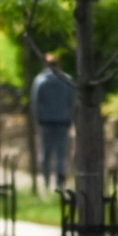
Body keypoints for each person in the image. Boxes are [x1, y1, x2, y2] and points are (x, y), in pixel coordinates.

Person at [30, 53, 76, 190]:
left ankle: (45, 180)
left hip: (45, 121)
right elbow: (72, 101)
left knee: (46, 152)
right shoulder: (67, 80)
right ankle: (60, 182)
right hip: (63, 121)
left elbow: (36, 103)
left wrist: (37, 119)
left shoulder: (40, 81)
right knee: (61, 153)